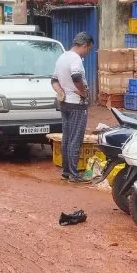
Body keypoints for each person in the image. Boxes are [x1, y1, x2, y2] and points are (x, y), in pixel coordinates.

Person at [52, 32, 94, 183]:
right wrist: (83, 93)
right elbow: (76, 77)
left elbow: (54, 81)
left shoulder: (62, 57)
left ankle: (66, 172)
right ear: (85, 45)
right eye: (88, 49)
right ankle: (74, 175)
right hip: (77, 104)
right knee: (75, 139)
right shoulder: (76, 59)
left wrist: (60, 92)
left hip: (65, 103)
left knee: (67, 138)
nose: (87, 53)